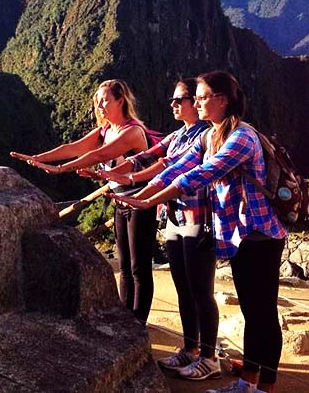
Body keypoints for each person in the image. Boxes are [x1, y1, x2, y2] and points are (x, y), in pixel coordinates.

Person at [108, 71, 287, 393]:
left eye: (202, 97)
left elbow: (202, 174)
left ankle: (264, 387)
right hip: (239, 236)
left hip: (260, 236)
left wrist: (148, 200)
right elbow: (178, 166)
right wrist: (141, 192)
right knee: (250, 309)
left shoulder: (241, 137)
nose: (198, 102)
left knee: (262, 312)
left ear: (222, 100)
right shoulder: (210, 136)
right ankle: (248, 383)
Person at [80, 78, 219, 380]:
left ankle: (209, 357)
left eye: (180, 99)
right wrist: (106, 173)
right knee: (183, 288)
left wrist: (135, 189)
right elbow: (146, 158)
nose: (173, 104)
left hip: (199, 218)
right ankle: (190, 348)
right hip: (175, 217)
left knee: (201, 290)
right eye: (174, 99)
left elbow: (171, 170)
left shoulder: (207, 136)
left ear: (194, 102)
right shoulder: (178, 135)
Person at [10, 79, 158, 323]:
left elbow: (98, 155)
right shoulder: (105, 130)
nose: (99, 105)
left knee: (138, 267)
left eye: (105, 100)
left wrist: (60, 170)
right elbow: (74, 148)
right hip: (120, 202)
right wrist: (38, 158)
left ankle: (138, 322)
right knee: (125, 266)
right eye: (97, 101)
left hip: (141, 201)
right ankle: (125, 317)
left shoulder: (132, 132)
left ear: (120, 101)